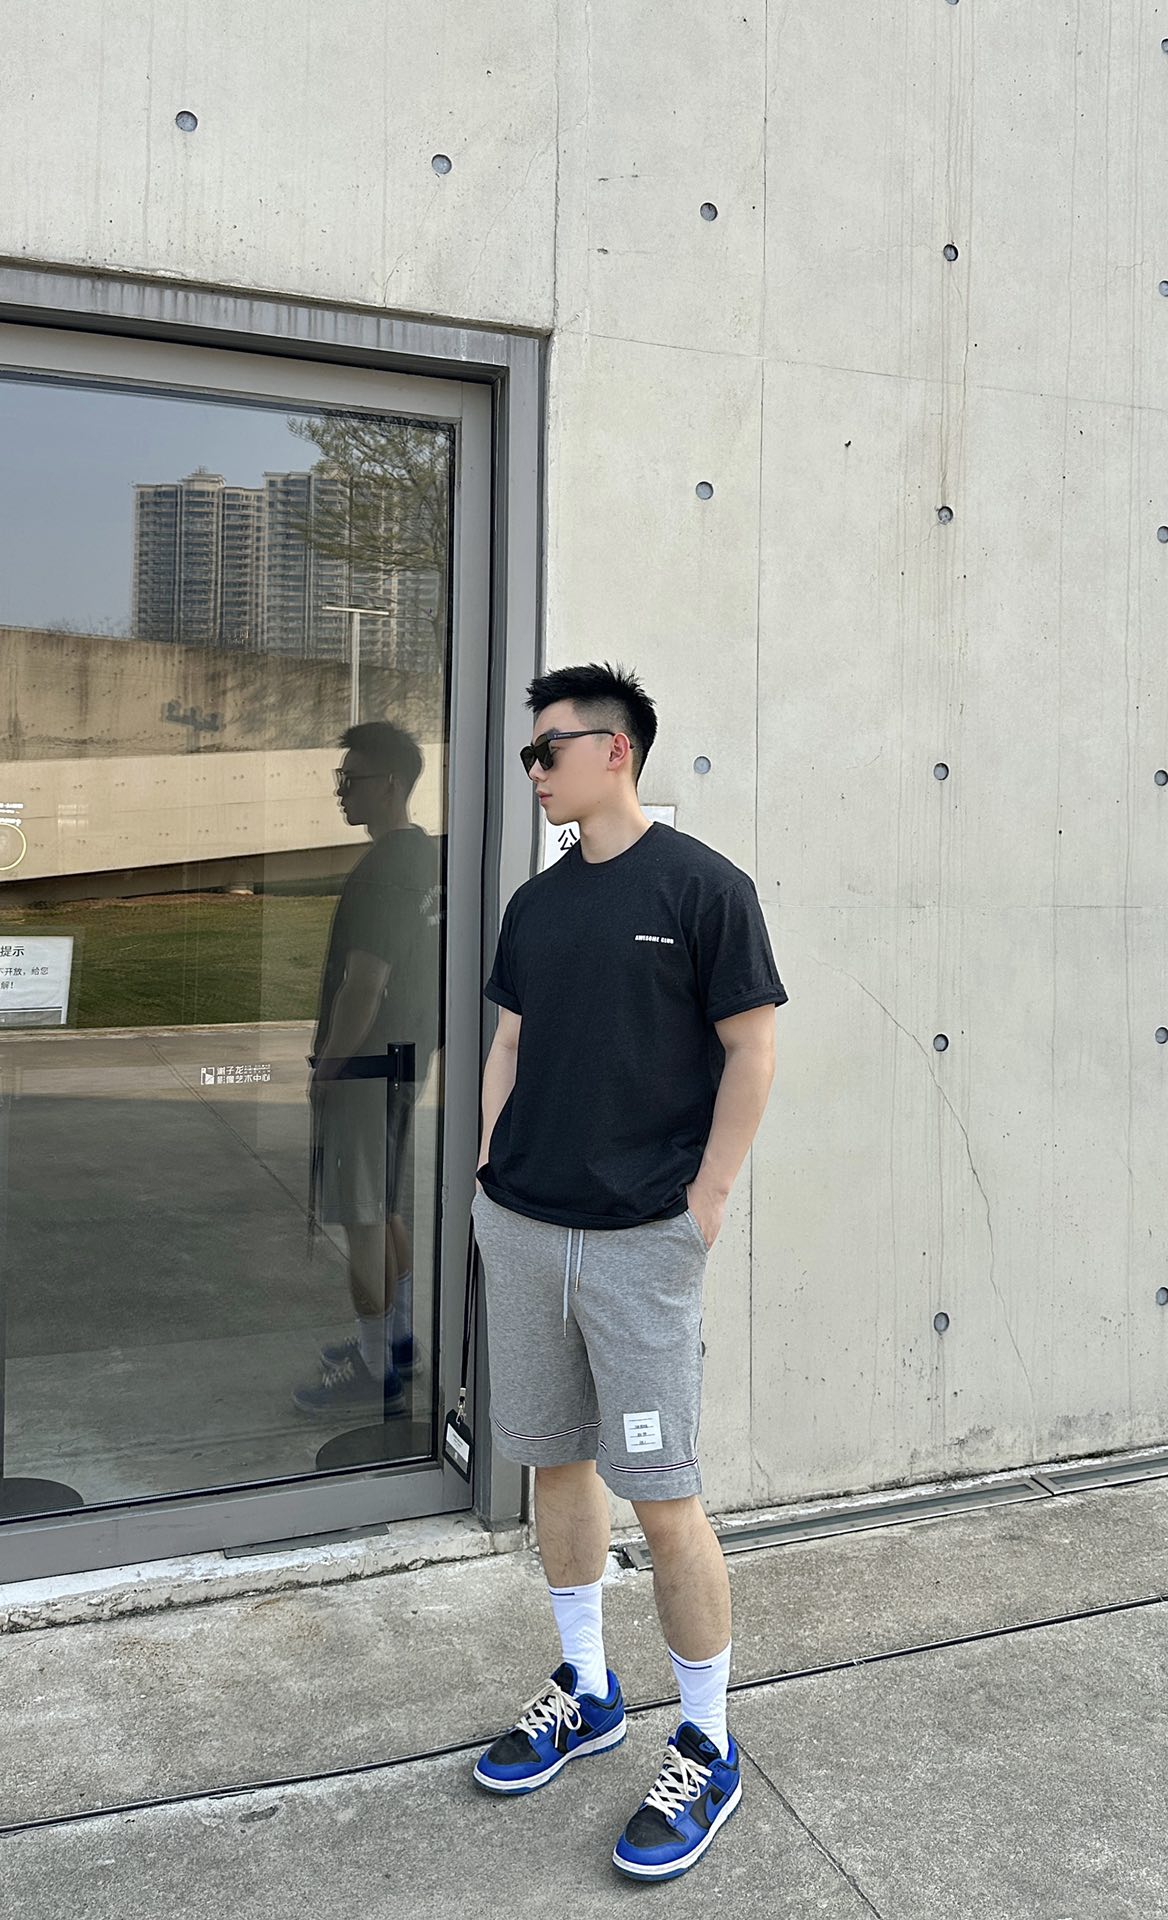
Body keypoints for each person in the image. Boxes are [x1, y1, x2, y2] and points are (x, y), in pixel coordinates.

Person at [469, 661, 786, 1882]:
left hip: (640, 1244)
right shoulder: (538, 905)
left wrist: (706, 1202)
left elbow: (752, 1048)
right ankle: (588, 1688)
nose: (534, 771)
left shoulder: (704, 887)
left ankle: (705, 1741)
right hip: (525, 1228)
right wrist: (489, 1169)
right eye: (529, 753)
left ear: (615, 751)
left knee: (663, 1495)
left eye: (545, 750)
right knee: (554, 1465)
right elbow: (511, 1040)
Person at [294, 720, 442, 1419]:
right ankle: (399, 1343)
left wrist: (327, 1068)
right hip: (405, 1061)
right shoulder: (424, 856)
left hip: (366, 1067)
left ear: (388, 784)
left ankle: (375, 1366)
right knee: (383, 1208)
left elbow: (365, 986)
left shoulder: (383, 869)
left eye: (349, 780)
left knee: (360, 1218)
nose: (341, 793)